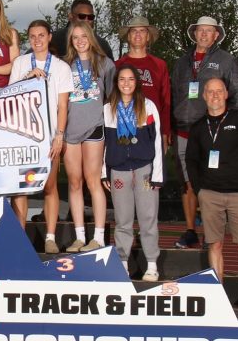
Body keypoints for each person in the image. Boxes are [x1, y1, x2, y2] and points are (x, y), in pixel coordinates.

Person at [185, 78, 238, 310]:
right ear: (204, 95)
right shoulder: (199, 126)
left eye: (219, 91)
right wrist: (200, 190)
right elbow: (191, 160)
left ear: (226, 93)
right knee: (215, 245)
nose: (215, 95)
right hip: (210, 194)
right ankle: (218, 295)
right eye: (210, 91)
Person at [171, 16, 238, 249]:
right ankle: (191, 230)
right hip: (183, 130)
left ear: (216, 35)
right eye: (200, 30)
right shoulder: (182, 62)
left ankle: (212, 236)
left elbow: (237, 94)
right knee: (188, 183)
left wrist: (229, 126)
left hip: (211, 130)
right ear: (194, 34)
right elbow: (173, 95)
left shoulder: (226, 60)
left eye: (209, 31)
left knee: (210, 181)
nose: (203, 34)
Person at [9, 20, 72, 243]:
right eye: (33, 36)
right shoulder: (20, 63)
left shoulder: (61, 67)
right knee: (21, 188)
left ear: (49, 37)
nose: (37, 40)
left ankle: (51, 237)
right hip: (23, 134)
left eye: (41, 35)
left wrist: (59, 135)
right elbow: (10, 98)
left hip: (49, 135)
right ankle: (18, 237)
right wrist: (27, 79)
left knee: (50, 185)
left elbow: (63, 106)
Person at [103, 64, 163, 281]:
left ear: (136, 82)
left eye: (130, 79)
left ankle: (152, 265)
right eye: (122, 79)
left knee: (148, 218)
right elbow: (105, 144)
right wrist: (104, 172)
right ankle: (122, 264)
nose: (126, 83)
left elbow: (157, 142)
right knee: (123, 219)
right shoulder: (108, 108)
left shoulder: (148, 107)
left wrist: (158, 174)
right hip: (118, 171)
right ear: (116, 83)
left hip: (144, 169)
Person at [62, 20, 115, 252]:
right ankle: (80, 237)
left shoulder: (104, 63)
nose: (80, 41)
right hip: (70, 130)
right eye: (75, 37)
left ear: (91, 38)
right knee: (74, 183)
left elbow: (112, 96)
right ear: (71, 41)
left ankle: (99, 237)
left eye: (84, 36)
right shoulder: (64, 65)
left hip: (94, 126)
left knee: (93, 181)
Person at [115, 16, 171, 149]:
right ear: (128, 37)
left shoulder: (160, 65)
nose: (138, 34)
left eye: (142, 31)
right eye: (134, 31)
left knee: (153, 168)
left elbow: (166, 101)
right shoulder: (117, 65)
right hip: (124, 127)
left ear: (148, 37)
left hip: (152, 126)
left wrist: (165, 132)